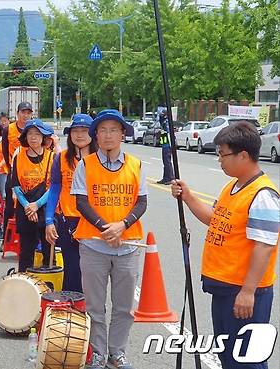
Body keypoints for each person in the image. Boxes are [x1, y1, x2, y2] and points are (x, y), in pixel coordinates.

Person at [171, 122, 279, 369]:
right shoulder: (233, 186)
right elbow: (214, 219)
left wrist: (248, 291)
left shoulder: (262, 195)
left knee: (246, 360)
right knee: (228, 357)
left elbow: (264, 247)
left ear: (243, 155)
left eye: (223, 155)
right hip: (223, 289)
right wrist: (188, 197)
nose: (219, 160)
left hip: (243, 292)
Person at [71, 109, 146, 369]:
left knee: (124, 307)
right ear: (96, 136)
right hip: (93, 245)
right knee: (95, 306)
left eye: (114, 129)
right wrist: (106, 228)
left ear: (123, 134)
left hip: (127, 246)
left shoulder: (135, 164)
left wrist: (122, 225)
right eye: (102, 130)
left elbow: (141, 201)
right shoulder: (86, 164)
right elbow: (81, 202)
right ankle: (98, 353)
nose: (108, 135)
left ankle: (117, 353)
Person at [45, 114, 98, 292]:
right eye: (75, 131)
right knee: (72, 268)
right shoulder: (60, 158)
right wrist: (49, 220)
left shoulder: (101, 159)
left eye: (84, 131)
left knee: (93, 271)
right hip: (68, 220)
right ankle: (72, 309)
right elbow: (54, 189)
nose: (79, 135)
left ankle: (93, 311)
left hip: (93, 222)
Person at [12, 119, 54, 272]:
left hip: (46, 209)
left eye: (37, 134)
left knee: (48, 252)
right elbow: (16, 185)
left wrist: (37, 205)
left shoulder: (52, 157)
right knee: (25, 252)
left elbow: (54, 187)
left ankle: (48, 288)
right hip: (25, 209)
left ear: (44, 137)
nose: (33, 137)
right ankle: (25, 285)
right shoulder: (19, 156)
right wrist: (28, 207)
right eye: (30, 133)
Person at [1, 102, 34, 250]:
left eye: (28, 112)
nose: (25, 115)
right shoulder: (8, 129)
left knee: (31, 205)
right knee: (9, 207)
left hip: (32, 173)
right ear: (17, 113)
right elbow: (4, 150)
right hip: (14, 172)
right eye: (23, 112)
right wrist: (11, 171)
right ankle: (5, 239)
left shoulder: (33, 129)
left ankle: (31, 238)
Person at [156, 108, 173, 185]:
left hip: (167, 145)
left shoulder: (167, 122)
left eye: (162, 114)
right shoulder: (163, 122)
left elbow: (169, 133)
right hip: (164, 144)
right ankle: (165, 178)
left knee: (167, 162)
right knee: (165, 162)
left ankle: (170, 178)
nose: (160, 116)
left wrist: (170, 145)